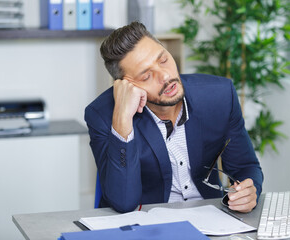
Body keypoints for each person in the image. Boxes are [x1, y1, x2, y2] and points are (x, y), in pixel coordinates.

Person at [85, 22, 263, 213]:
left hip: (210, 220)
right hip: (147, 224)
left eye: (163, 60)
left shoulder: (219, 96)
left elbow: (245, 166)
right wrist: (121, 119)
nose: (165, 76)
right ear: (127, 86)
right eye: (146, 76)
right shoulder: (102, 114)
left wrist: (248, 191)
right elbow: (123, 202)